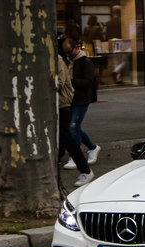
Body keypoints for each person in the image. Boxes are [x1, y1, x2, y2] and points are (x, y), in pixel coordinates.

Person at [62, 38, 101, 169]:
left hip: (81, 99)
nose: (68, 55)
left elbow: (89, 82)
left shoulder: (85, 62)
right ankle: (92, 147)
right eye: (65, 52)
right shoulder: (67, 61)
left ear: (76, 48)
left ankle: (76, 156)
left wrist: (70, 81)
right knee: (74, 127)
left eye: (69, 52)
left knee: (73, 127)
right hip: (70, 98)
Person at [57, 55, 94, 187]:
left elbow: (59, 83)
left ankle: (85, 169)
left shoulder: (57, 60)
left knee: (69, 133)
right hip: (56, 104)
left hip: (62, 103)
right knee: (66, 134)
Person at [105, 6, 125, 84]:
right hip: (120, 40)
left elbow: (107, 34)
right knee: (124, 60)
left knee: (116, 61)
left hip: (111, 41)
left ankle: (117, 78)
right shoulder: (122, 21)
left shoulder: (109, 22)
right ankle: (116, 73)